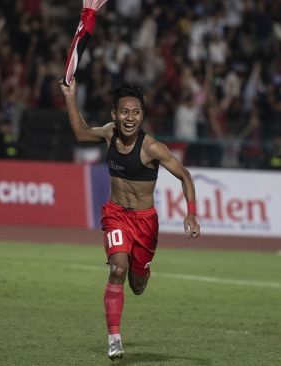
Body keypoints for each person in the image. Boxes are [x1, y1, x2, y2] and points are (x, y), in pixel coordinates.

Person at [59, 3, 200, 360]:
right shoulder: (107, 134)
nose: (129, 118)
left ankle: (143, 272)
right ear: (114, 114)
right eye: (124, 111)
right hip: (116, 215)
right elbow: (79, 131)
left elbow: (184, 175)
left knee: (137, 283)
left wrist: (192, 213)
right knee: (117, 268)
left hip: (146, 223)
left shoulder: (152, 147)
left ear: (142, 116)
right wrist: (71, 97)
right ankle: (114, 338)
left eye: (135, 112)